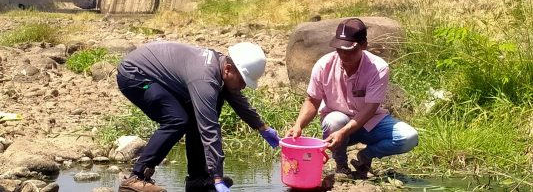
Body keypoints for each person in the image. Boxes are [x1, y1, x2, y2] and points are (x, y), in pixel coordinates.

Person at [116, 41, 281, 192]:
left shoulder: (220, 67)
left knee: (212, 103)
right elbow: (209, 129)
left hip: (157, 78)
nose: (243, 86)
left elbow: (236, 98)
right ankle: (137, 177)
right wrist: (217, 177)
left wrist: (262, 127)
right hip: (136, 75)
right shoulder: (204, 79)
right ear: (229, 69)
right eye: (243, 80)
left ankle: (198, 179)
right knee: (177, 120)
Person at [286, 18, 418, 178]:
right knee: (335, 120)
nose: (343, 54)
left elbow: (370, 108)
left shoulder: (378, 67)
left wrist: (344, 132)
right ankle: (341, 165)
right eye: (339, 49)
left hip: (371, 123)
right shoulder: (324, 65)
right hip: (337, 125)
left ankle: (365, 156)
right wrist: (298, 125)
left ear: (363, 45)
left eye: (349, 50)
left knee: (409, 137)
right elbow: (312, 100)